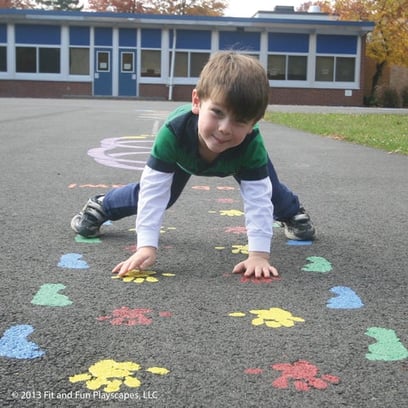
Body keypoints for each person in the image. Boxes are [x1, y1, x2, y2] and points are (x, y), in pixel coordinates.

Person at [71, 51, 315, 279]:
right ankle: (103, 205)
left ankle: (292, 212)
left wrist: (258, 255)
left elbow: (258, 199)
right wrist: (146, 246)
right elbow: (152, 193)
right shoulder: (172, 134)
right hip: (184, 157)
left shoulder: (251, 144)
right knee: (158, 195)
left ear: (254, 124)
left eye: (240, 121)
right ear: (197, 102)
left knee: (271, 192)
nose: (224, 129)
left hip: (237, 159)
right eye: (217, 112)